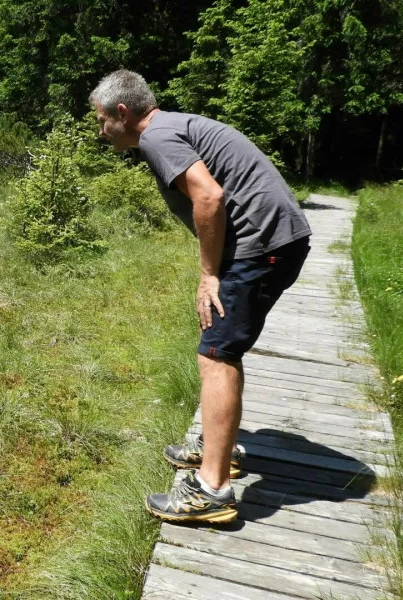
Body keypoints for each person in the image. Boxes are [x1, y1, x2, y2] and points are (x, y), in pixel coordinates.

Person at [89, 69, 312, 523]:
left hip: (262, 246)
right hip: (273, 241)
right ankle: (216, 449)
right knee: (219, 343)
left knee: (217, 355)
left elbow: (208, 197)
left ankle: (213, 489)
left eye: (101, 120)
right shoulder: (175, 125)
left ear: (123, 113)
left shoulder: (157, 137)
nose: (100, 130)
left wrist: (209, 275)